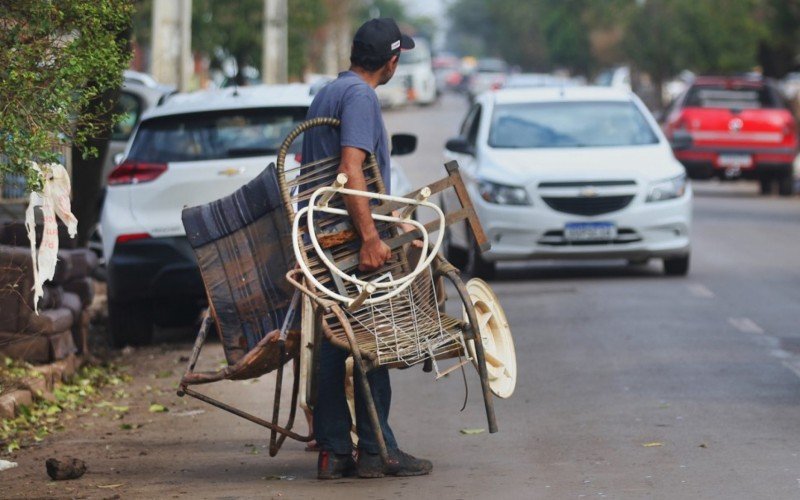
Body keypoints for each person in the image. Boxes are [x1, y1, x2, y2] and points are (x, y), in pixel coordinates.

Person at [301, 18, 433, 480]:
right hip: (346, 241)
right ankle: (379, 451)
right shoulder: (360, 97)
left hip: (322, 236)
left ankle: (335, 451)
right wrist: (372, 239)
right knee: (373, 337)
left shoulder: (328, 90)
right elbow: (350, 170)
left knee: (337, 340)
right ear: (391, 61)